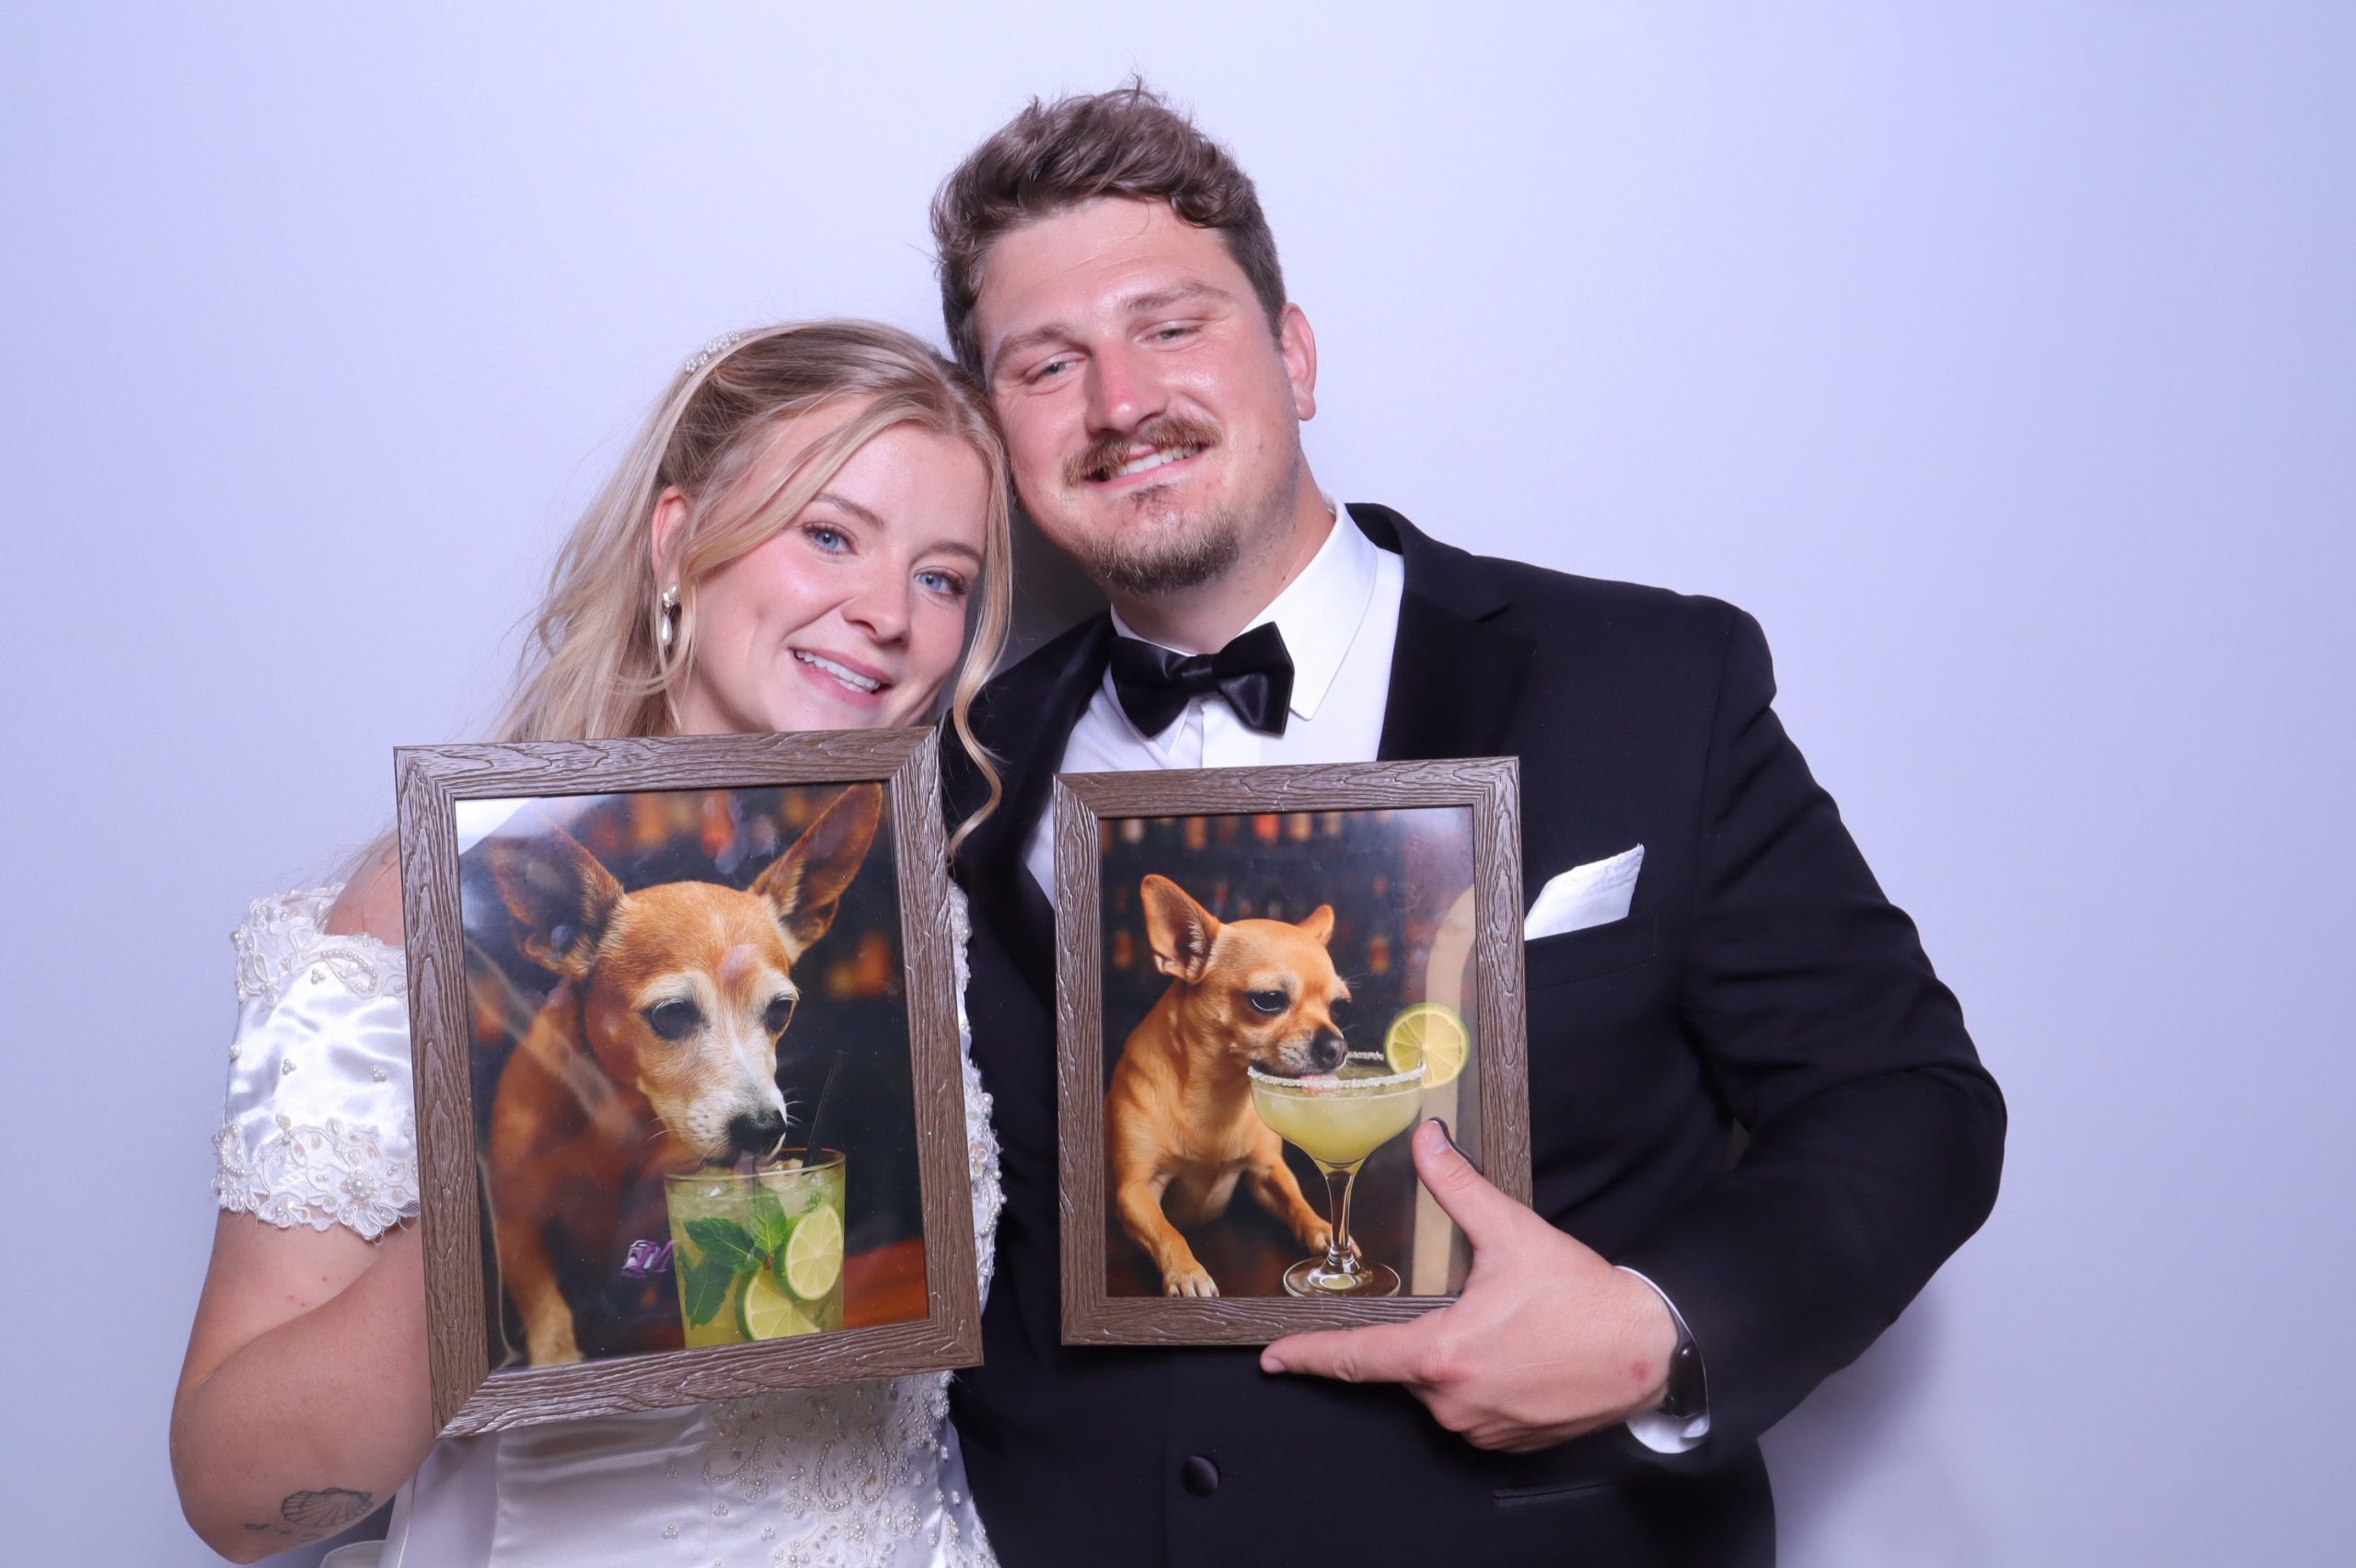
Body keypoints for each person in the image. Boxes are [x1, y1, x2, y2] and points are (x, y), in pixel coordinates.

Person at [930, 84, 2006, 1565]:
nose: (1121, 402)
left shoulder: (1650, 684)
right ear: (995, 429)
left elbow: (1908, 1102)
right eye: (1047, 364)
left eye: (1172, 327)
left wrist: (1656, 1329)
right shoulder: (948, 762)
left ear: (1294, 355)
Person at [171, 319, 1014, 1567]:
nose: (889, 613)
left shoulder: (934, 914)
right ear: (678, 542)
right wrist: (501, 1211)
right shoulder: (424, 904)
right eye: (831, 534)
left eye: (944, 577)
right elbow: (233, 1495)